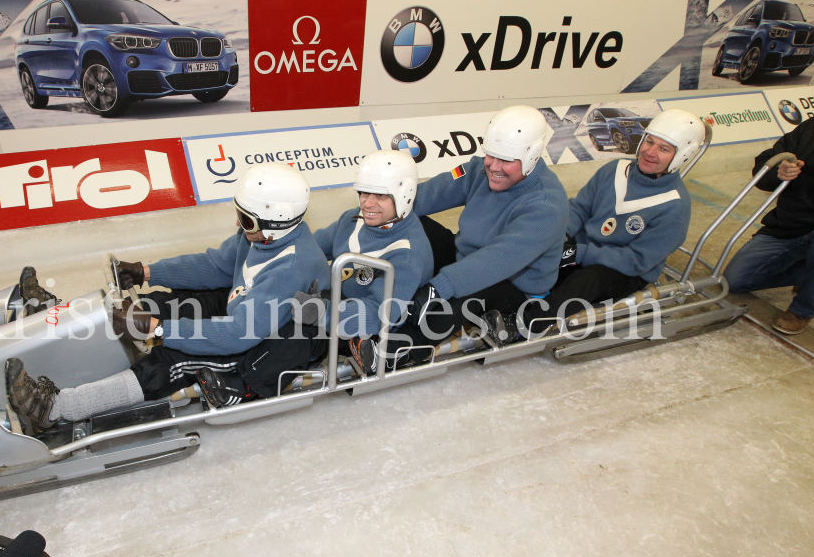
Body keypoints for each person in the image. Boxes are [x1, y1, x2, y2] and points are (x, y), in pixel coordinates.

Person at [4, 163, 331, 434]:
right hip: (243, 307)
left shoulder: (292, 268)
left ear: (276, 223)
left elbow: (237, 334)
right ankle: (52, 321)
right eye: (240, 214)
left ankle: (54, 411)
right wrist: (147, 273)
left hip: (261, 342)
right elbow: (214, 266)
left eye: (245, 220)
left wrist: (159, 331)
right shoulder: (261, 235)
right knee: (165, 303)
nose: (238, 223)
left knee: (171, 360)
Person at [373, 104, 569, 365]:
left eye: (506, 160)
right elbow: (426, 195)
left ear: (532, 156)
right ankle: (371, 295)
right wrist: (375, 212)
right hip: (466, 259)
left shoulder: (546, 205)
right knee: (410, 223)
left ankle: (395, 350)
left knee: (459, 297)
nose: (493, 166)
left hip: (513, 288)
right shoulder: (479, 168)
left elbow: (496, 260)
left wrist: (437, 287)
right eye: (491, 155)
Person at [533, 108, 704, 331]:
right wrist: (562, 235)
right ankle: (497, 304)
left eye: (663, 149)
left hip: (623, 270)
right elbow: (579, 208)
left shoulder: (674, 206)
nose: (650, 152)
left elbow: (637, 260)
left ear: (681, 155)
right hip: (584, 250)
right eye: (649, 142)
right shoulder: (615, 169)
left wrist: (583, 253)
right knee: (537, 258)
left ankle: (529, 323)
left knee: (585, 281)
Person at [280, 149, 435, 375]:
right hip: (340, 303)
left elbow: (378, 314)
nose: (367, 204)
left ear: (405, 195)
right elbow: (310, 248)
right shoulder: (354, 219)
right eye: (363, 192)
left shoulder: (407, 254)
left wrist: (321, 313)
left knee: (299, 332)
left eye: (380, 196)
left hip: (373, 324)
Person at [724, 114, 814, 335]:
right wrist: (779, 172)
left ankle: (802, 309)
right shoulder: (811, 128)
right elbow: (766, 164)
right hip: (790, 224)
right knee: (734, 281)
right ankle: (809, 272)